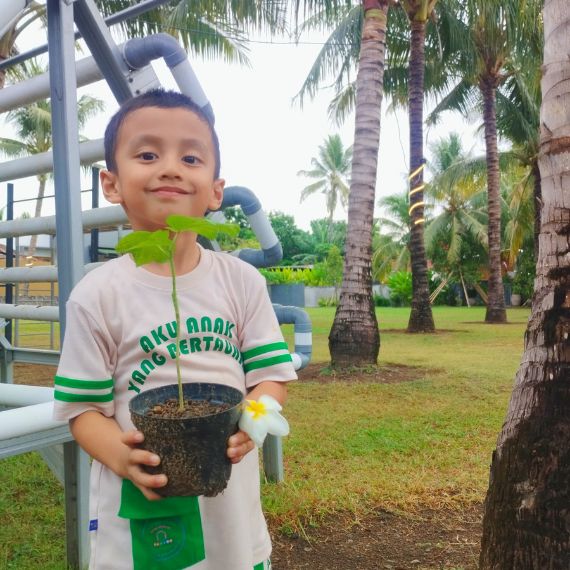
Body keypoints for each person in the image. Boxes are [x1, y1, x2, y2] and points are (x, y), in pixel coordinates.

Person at [53, 88, 297, 570]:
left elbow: (271, 375)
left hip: (228, 498)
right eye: (147, 154)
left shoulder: (240, 280)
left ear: (215, 190)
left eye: (190, 156)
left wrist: (254, 418)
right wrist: (120, 459)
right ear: (112, 183)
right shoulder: (97, 294)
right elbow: (82, 410)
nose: (169, 167)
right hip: (143, 495)